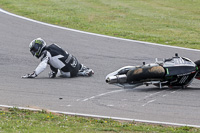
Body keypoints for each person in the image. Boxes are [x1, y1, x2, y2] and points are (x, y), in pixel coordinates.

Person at [22, 38, 94, 78]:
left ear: (40, 46)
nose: (34, 52)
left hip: (69, 72)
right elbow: (57, 61)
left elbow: (43, 65)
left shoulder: (46, 54)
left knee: (57, 70)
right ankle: (82, 68)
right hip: (75, 62)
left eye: (35, 49)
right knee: (55, 61)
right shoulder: (53, 45)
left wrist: (34, 74)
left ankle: (80, 73)